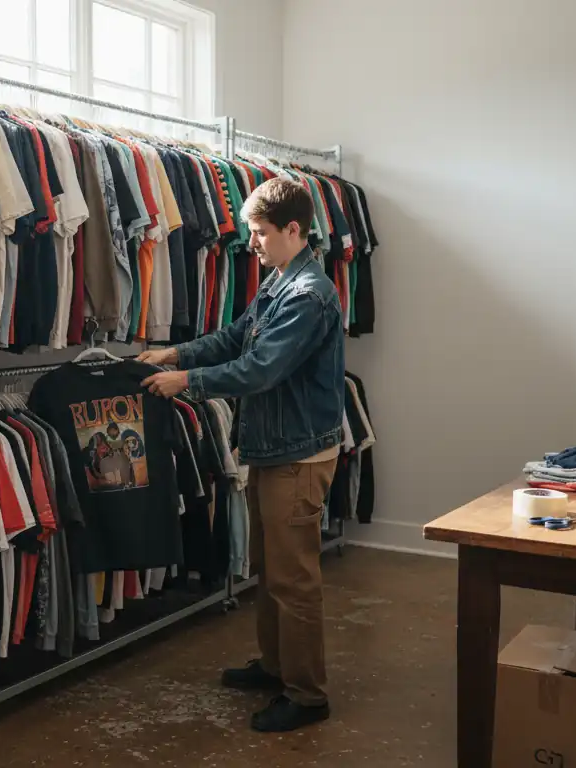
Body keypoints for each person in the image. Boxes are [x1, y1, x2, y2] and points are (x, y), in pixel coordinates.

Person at [138, 177, 345, 733]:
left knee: (294, 580)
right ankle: (278, 667)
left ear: (293, 230)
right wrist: (178, 350)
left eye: (259, 233)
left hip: (298, 457)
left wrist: (187, 379)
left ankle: (306, 695)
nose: (251, 243)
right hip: (275, 450)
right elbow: (237, 337)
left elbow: (261, 369)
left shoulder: (308, 296)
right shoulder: (280, 280)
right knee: (271, 570)